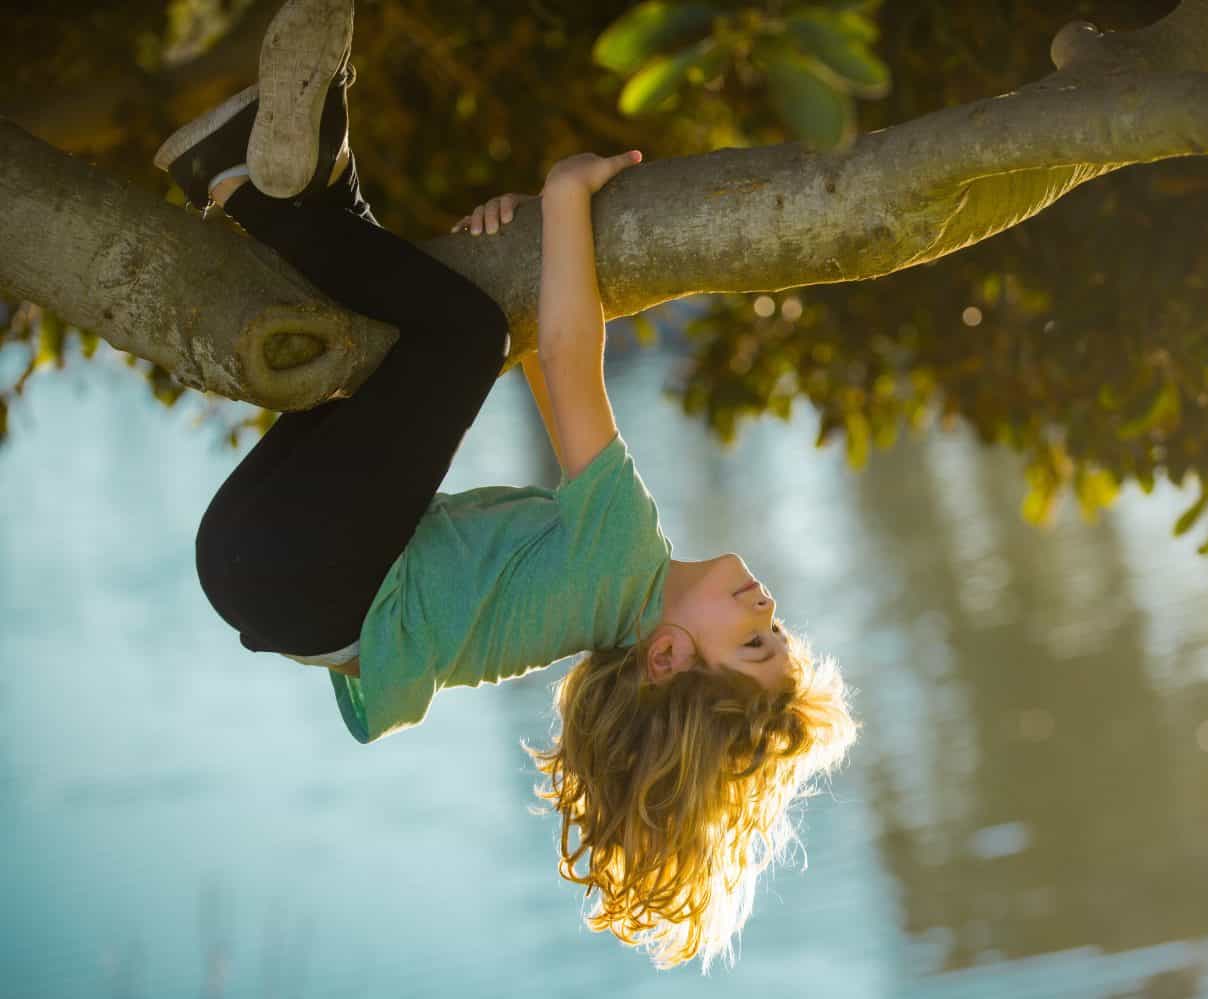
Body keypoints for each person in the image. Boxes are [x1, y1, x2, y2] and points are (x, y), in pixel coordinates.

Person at [161, 0, 855, 971]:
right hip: (268, 572)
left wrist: (564, 197)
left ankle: (237, 191)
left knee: (459, 340)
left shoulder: (622, 562)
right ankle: (312, 174)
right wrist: (520, 244)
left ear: (663, 658)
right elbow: (542, 348)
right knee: (410, 344)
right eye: (780, 634)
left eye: (751, 643)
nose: (770, 612)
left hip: (306, 570)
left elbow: (566, 361)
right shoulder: (592, 597)